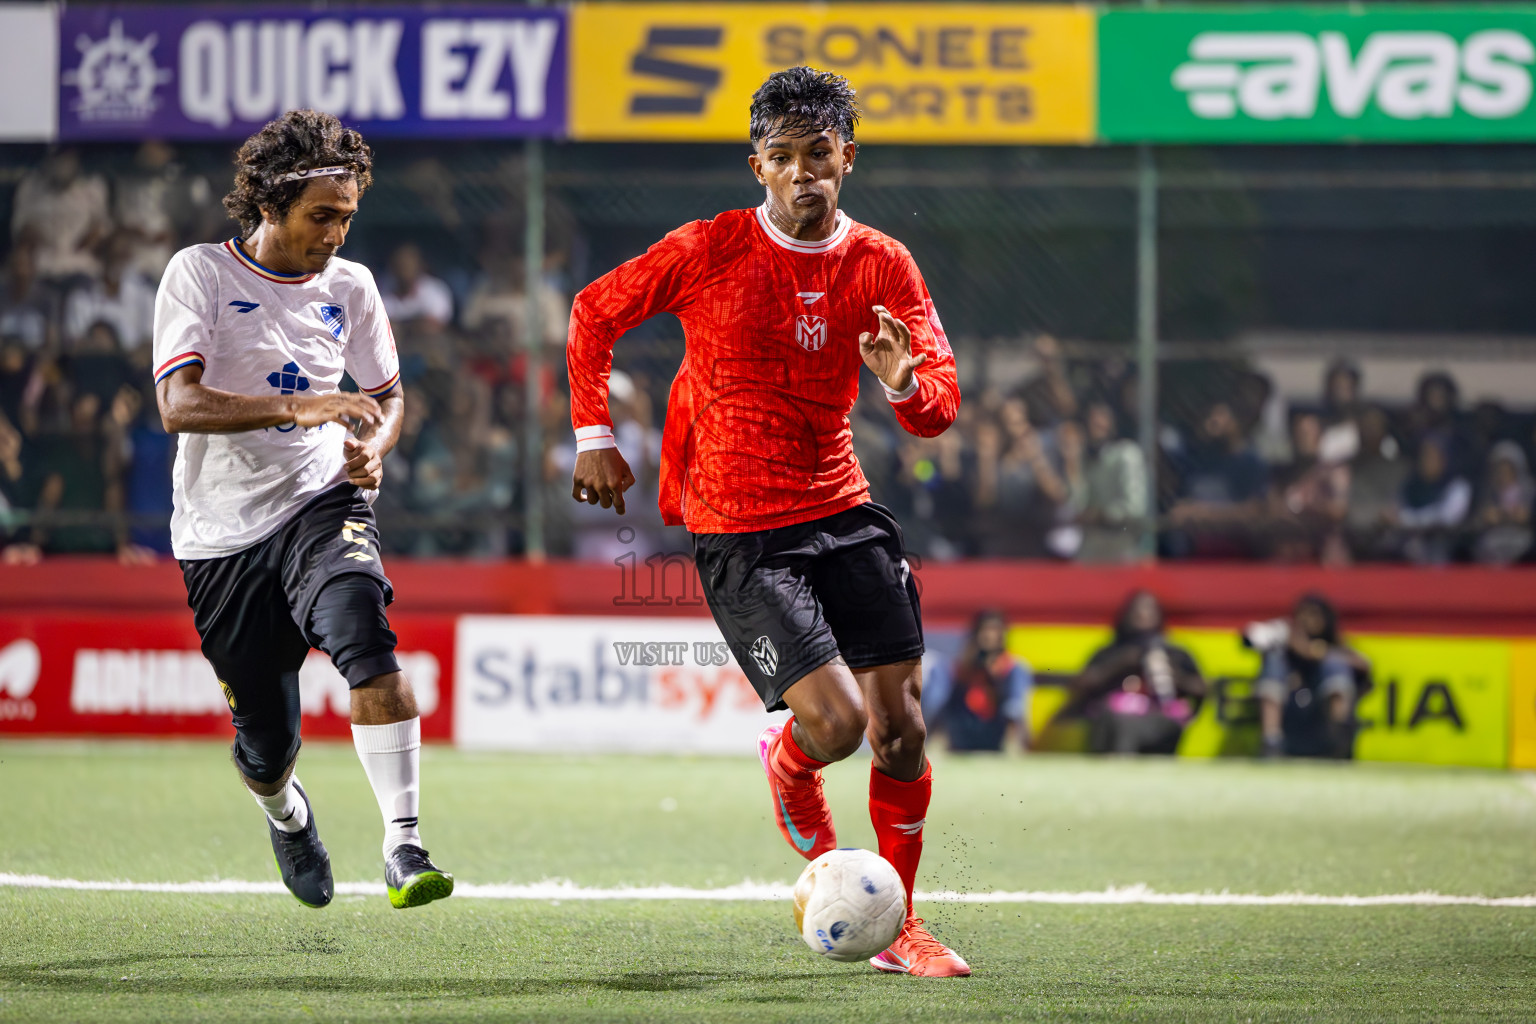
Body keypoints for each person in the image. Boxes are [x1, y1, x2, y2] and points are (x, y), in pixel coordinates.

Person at [567, 68, 967, 976]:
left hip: (844, 505)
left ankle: (899, 929)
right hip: (739, 526)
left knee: (900, 728)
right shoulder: (709, 248)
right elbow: (594, 312)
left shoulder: (884, 264)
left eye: (819, 155)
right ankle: (791, 764)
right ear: (758, 166)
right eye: (782, 158)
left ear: (847, 158)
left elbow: (939, 407)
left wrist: (900, 380)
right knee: (836, 728)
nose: (802, 174)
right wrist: (594, 435)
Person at [151, 109, 451, 911]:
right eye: (323, 215)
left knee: (366, 635)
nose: (338, 233)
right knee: (267, 745)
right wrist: (304, 407)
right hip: (220, 536)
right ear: (269, 205)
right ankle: (287, 814)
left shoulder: (351, 287)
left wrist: (376, 447)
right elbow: (178, 405)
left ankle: (404, 843)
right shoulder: (201, 275)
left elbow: (387, 399)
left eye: (348, 216)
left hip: (321, 502)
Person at [1062, 591, 1204, 755]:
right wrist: (1121, 663)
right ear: (1125, 615)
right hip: (1111, 719)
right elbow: (1080, 686)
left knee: (1130, 727)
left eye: (1148, 609)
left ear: (1159, 615)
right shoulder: (1110, 651)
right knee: (1120, 723)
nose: (1142, 614)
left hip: (1159, 718)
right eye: (1136, 609)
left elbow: (1201, 689)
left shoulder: (1174, 653)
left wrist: (1173, 675)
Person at [1247, 594, 1370, 759]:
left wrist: (1323, 654)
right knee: (1274, 659)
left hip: (1320, 723)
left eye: (1314, 614)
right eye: (1303, 613)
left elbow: (1365, 664)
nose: (1308, 619)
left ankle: (1340, 740)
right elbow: (1251, 636)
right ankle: (1271, 741)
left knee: (1335, 665)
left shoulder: (1335, 645)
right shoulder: (1284, 632)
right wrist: (1294, 643)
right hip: (1289, 718)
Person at [923, 610, 1031, 752]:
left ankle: (1016, 746)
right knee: (939, 680)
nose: (988, 636)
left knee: (1019, 674)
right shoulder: (962, 665)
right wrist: (967, 667)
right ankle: (929, 743)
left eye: (994, 630)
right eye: (984, 630)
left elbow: (1014, 706)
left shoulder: (1011, 667)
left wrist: (996, 678)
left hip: (994, 730)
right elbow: (946, 701)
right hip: (963, 730)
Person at [1472, 441, 1533, 565]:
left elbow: (1526, 515)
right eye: (1500, 470)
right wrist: (1487, 516)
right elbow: (1479, 518)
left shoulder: (1530, 490)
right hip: (1495, 536)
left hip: (1521, 536)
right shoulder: (1489, 491)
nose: (1504, 474)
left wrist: (1527, 516)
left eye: (1508, 470)